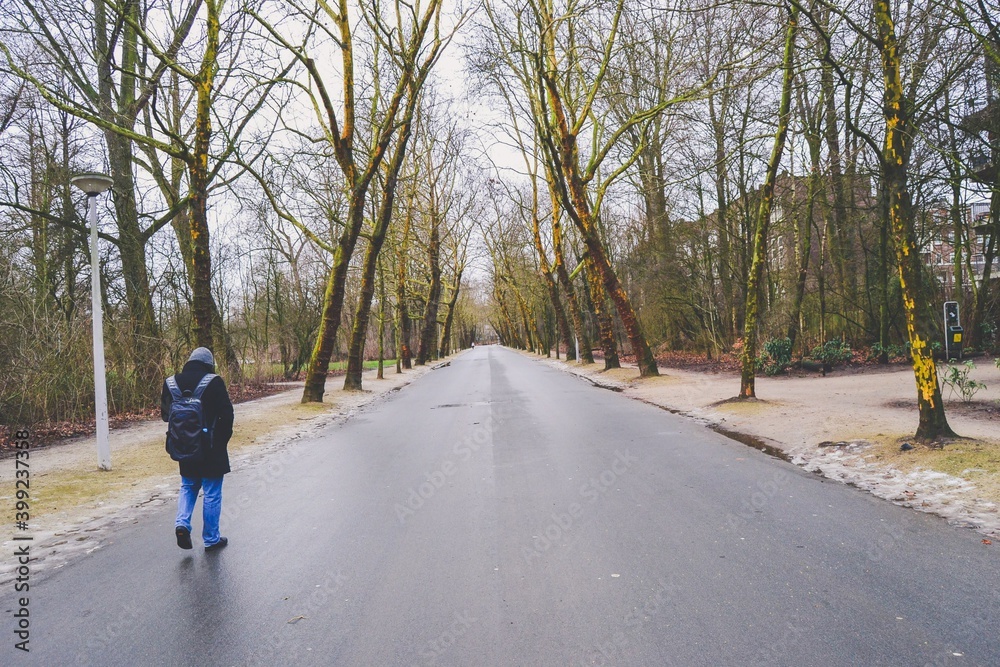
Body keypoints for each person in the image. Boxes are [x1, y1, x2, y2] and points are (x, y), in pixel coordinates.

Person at [161, 347, 234, 551]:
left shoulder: (171, 382)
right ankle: (211, 538)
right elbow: (227, 415)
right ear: (209, 363)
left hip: (184, 446)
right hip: (211, 448)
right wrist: (221, 441)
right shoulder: (214, 382)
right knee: (211, 492)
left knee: (188, 485)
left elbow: (166, 416)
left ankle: (182, 523)